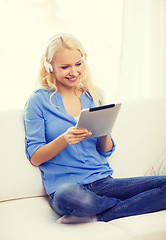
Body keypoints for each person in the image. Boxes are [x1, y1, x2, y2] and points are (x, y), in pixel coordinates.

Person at [24, 33, 166, 224]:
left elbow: (105, 151)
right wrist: (64, 139)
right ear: (50, 67)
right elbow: (35, 157)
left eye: (78, 64)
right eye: (65, 67)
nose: (73, 72)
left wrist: (105, 132)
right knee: (70, 196)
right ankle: (124, 205)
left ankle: (100, 214)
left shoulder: (94, 95)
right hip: (66, 187)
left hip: (103, 182)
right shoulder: (38, 102)